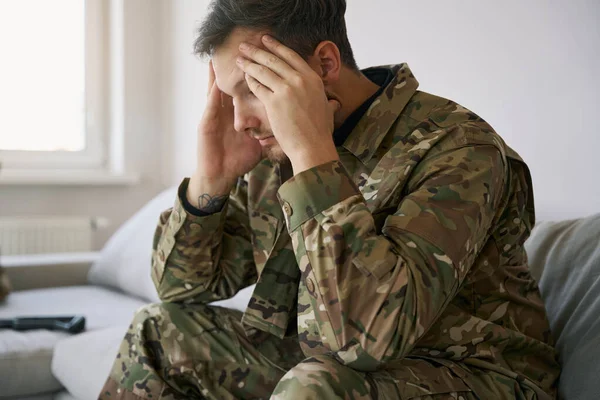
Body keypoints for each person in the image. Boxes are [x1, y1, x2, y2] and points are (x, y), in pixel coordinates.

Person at [99, 0, 560, 398]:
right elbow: (182, 290)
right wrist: (210, 181)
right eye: (227, 98)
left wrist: (313, 158)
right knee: (158, 332)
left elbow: (369, 339)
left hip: (475, 377)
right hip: (325, 366)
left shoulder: (458, 148)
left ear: (323, 64)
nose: (239, 121)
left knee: (312, 388)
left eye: (253, 90)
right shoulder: (269, 156)